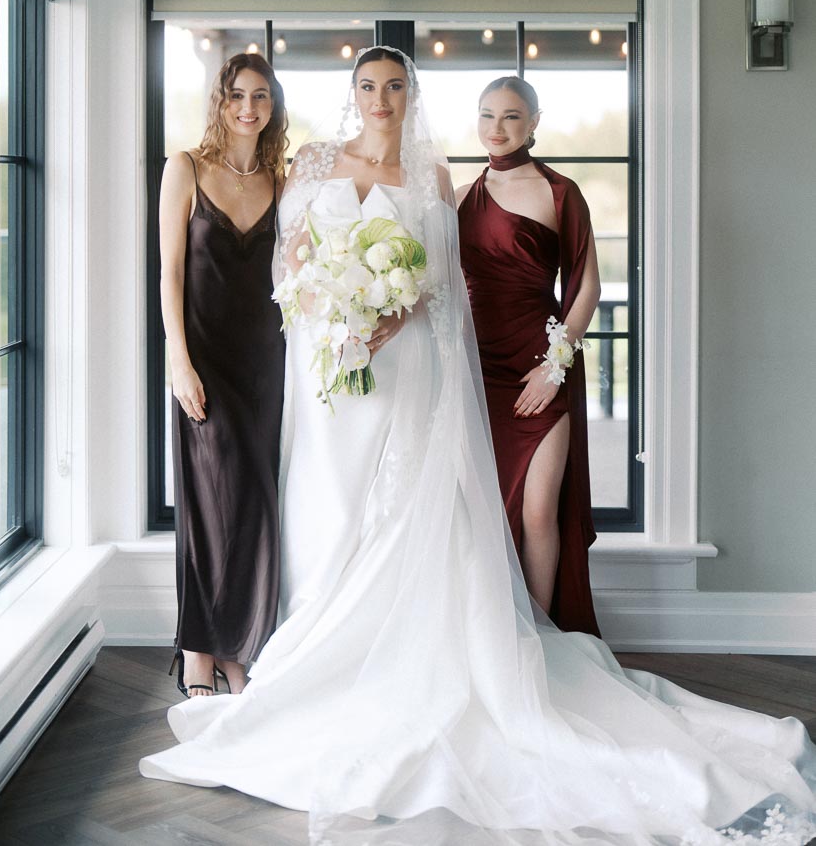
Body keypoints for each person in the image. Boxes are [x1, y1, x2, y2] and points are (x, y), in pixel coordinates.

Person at [142, 47, 816, 846]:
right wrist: (327, 302)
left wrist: (391, 314)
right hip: (324, 385)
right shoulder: (314, 160)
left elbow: (438, 286)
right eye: (368, 86)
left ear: (411, 96)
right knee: (316, 513)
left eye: (395, 87)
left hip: (398, 379)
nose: (380, 99)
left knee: (392, 524)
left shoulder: (433, 177)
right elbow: (287, 263)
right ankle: (285, 646)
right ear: (350, 93)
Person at [158, 51, 287, 698]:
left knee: (255, 506)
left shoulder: (282, 180)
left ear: (273, 105)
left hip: (267, 363)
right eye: (238, 94)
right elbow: (170, 274)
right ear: (220, 99)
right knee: (210, 503)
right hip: (203, 359)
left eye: (261, 96)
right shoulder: (184, 168)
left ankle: (234, 647)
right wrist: (177, 361)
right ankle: (199, 651)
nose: (248, 107)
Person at [457, 75, 600, 635]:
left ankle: (544, 638)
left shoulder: (561, 191)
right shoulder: (463, 195)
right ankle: (498, 633)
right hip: (478, 368)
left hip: (542, 364)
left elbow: (586, 287)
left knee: (540, 510)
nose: (497, 128)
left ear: (535, 123)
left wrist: (554, 365)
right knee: (485, 515)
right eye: (487, 115)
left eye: (511, 116)